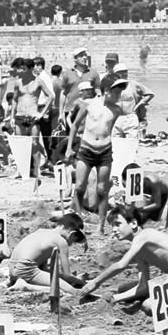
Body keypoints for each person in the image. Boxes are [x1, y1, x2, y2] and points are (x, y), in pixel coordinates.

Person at [76, 204, 168, 314]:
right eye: (112, 226)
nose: (114, 230)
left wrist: (96, 282)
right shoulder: (138, 248)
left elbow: (121, 265)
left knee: (148, 306)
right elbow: (143, 286)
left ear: (133, 223)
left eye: (118, 224)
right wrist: (115, 298)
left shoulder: (144, 236)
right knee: (123, 289)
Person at [66, 79, 129, 232]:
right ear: (106, 90)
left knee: (102, 189)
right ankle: (78, 218)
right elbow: (74, 126)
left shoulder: (116, 110)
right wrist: (69, 148)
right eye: (116, 92)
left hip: (105, 150)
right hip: (86, 148)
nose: (118, 95)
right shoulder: (88, 104)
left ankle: (100, 225)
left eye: (120, 92)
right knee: (80, 186)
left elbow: (109, 128)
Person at [6, 214, 87, 295]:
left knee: (56, 280)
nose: (71, 244)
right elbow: (67, 275)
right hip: (26, 270)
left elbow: (44, 270)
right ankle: (25, 286)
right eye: (73, 241)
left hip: (12, 270)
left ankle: (19, 282)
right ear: (72, 233)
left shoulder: (40, 231)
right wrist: (83, 282)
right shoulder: (61, 241)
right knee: (71, 291)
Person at [112, 64, 154, 140]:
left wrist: (139, 105)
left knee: (131, 143)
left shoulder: (133, 84)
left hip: (130, 116)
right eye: (120, 72)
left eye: (125, 72)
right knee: (116, 143)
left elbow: (150, 94)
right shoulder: (111, 86)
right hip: (116, 118)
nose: (123, 74)